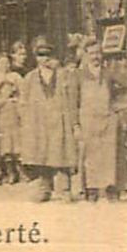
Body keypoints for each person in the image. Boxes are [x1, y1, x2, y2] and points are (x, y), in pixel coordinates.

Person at [19, 36, 79, 201]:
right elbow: (23, 103)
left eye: (47, 55)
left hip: (59, 121)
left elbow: (72, 99)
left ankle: (65, 189)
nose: (44, 59)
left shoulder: (63, 76)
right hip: (39, 123)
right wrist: (27, 122)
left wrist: (73, 122)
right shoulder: (29, 78)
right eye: (40, 55)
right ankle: (44, 189)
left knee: (62, 154)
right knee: (42, 156)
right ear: (36, 57)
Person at [75, 42, 127, 201]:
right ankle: (91, 191)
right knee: (90, 157)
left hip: (108, 120)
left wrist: (119, 105)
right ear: (85, 55)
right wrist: (75, 124)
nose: (96, 57)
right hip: (87, 121)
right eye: (92, 53)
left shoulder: (109, 73)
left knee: (109, 157)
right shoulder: (78, 75)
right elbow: (73, 102)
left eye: (98, 53)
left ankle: (111, 190)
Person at [0, 50, 23, 184]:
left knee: (17, 141)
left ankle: (20, 170)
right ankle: (9, 171)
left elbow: (22, 93)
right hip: (0, 112)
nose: (4, 65)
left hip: (14, 111)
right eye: (1, 62)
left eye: (7, 62)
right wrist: (0, 100)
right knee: (5, 142)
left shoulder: (16, 76)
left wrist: (16, 100)